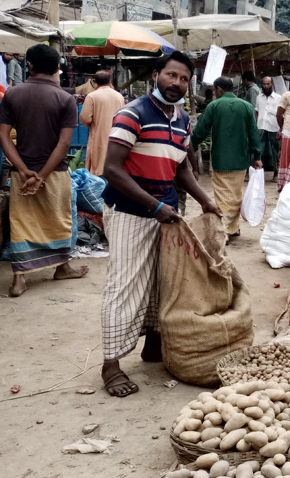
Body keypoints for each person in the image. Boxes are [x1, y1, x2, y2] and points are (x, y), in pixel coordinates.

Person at [100, 51, 221, 397]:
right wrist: (154, 206)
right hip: (129, 212)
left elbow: (181, 167)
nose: (177, 84)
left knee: (161, 283)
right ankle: (111, 364)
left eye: (184, 79)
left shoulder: (180, 117)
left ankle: (154, 345)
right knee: (125, 285)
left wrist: (205, 200)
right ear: (156, 75)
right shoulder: (132, 113)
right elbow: (112, 168)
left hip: (165, 211)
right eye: (171, 76)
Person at [0, 44, 89, 298]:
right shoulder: (65, 98)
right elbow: (64, 144)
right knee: (59, 219)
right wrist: (41, 176)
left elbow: (4, 137)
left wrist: (26, 171)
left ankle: (19, 279)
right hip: (55, 173)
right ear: (58, 68)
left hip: (21, 175)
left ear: (30, 66)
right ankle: (62, 266)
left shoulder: (13, 94)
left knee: (21, 222)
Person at [191, 76, 262, 238]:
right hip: (241, 158)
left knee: (223, 195)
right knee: (236, 194)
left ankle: (225, 229)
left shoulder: (214, 106)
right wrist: (257, 155)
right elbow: (254, 133)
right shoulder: (246, 106)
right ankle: (234, 227)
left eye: (215, 89)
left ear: (219, 89)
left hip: (220, 158)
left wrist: (191, 146)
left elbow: (200, 131)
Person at [79, 70, 125, 176]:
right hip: (117, 138)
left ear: (95, 82)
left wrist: (94, 123)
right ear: (110, 80)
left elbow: (85, 119)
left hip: (98, 137)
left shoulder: (92, 96)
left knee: (97, 170)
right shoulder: (119, 97)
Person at [255, 76, 282, 182]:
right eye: (264, 84)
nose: (266, 86)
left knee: (276, 151)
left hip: (274, 127)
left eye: (268, 84)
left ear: (272, 84)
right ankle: (258, 174)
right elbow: (256, 111)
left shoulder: (278, 98)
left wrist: (280, 129)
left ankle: (276, 172)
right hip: (261, 126)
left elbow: (281, 114)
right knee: (258, 150)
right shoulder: (259, 97)